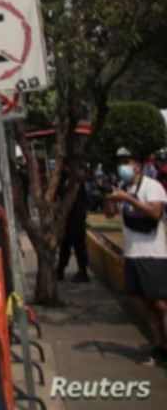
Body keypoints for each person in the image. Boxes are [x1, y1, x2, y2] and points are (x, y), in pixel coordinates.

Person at [103, 147, 167, 366]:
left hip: (154, 254)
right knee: (147, 304)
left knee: (161, 303)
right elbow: (109, 214)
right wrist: (111, 198)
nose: (123, 167)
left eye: (127, 162)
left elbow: (155, 212)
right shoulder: (121, 188)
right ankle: (158, 348)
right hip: (132, 253)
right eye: (120, 162)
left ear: (138, 165)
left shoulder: (152, 187)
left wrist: (128, 199)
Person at [57, 167, 91, 283]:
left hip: (76, 216)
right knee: (64, 244)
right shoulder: (63, 178)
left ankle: (82, 270)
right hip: (67, 217)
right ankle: (61, 268)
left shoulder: (75, 180)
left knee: (78, 244)